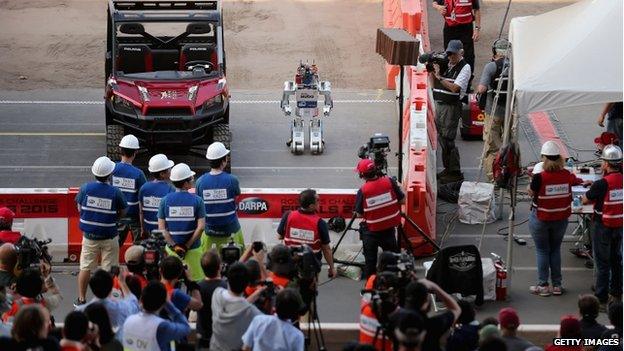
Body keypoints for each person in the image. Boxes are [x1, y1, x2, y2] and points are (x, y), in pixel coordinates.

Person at [75, 156, 127, 306]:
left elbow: (79, 207)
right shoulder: (115, 192)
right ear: (110, 174)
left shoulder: (85, 188)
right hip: (110, 236)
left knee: (85, 267)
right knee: (110, 270)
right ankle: (107, 300)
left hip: (89, 237)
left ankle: (81, 299)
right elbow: (123, 211)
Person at [527, 141, 577, 296]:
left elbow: (531, 192)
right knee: (555, 250)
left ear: (544, 158)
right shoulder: (567, 175)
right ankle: (557, 285)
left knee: (542, 250)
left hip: (541, 217)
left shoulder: (540, 177)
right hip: (561, 218)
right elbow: (576, 182)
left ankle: (543, 286)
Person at [582, 145, 623, 305]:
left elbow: (586, 200)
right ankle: (616, 292)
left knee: (602, 262)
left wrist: (591, 188)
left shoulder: (602, 184)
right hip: (619, 225)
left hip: (602, 226)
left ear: (606, 164)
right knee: (616, 259)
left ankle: (601, 296)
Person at [429, 40, 472, 183]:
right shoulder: (445, 63)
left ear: (461, 52)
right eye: (448, 53)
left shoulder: (465, 68)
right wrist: (433, 72)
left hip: (451, 107)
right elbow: (433, 82)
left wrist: (439, 77)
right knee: (442, 138)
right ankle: (448, 169)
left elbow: (455, 88)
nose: (450, 56)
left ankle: (454, 171)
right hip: (440, 105)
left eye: (453, 54)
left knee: (448, 139)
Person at [354, 159, 405, 278]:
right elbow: (402, 200)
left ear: (362, 175)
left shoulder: (363, 191)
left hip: (371, 232)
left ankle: (369, 289)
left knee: (370, 262)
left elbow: (359, 214)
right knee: (393, 259)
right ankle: (393, 283)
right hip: (389, 230)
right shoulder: (390, 182)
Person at [158, 163, 206, 281]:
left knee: (172, 285)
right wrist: (186, 246)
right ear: (185, 183)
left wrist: (176, 247)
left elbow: (162, 229)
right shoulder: (198, 201)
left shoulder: (164, 201)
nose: (192, 181)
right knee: (196, 284)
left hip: (172, 253)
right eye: (191, 179)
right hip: (193, 251)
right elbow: (201, 227)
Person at [195, 142, 245, 252]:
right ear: (224, 161)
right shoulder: (232, 180)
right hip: (231, 231)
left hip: (209, 233)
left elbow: (199, 203)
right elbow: (236, 197)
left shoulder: (200, 182)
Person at [277, 188, 336, 278]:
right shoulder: (320, 223)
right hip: (311, 267)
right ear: (311, 206)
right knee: (310, 290)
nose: (319, 202)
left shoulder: (288, 215)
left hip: (290, 263)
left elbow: (279, 236)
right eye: (318, 200)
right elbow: (326, 249)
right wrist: (332, 267)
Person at [391, 279, 461, 351]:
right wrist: (435, 287)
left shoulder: (392, 321)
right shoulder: (434, 325)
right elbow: (456, 309)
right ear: (426, 302)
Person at [210, 262, 266, 351]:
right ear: (247, 283)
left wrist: (257, 293)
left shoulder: (217, 294)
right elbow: (242, 305)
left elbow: (238, 304)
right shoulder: (252, 312)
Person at [122, 281, 192, 351]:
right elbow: (186, 328)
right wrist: (169, 305)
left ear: (142, 299)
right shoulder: (161, 326)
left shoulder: (128, 320)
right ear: (163, 303)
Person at [476, 39, 510, 180]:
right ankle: (509, 174)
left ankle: (493, 177)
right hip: (510, 112)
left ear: (494, 51)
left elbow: (482, 89)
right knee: (509, 144)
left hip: (493, 111)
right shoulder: (515, 66)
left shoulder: (491, 66)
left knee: (492, 146)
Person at [75, 269, 139, 340]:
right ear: (111, 288)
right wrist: (122, 282)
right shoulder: (122, 308)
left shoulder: (80, 311)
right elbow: (133, 303)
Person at [432, 0, 480, 87]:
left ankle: (468, 82)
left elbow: (476, 10)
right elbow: (434, 3)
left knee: (468, 55)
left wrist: (477, 29)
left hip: (466, 28)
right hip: (450, 28)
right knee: (449, 54)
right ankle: (449, 79)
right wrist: (438, 7)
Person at [112, 134, 147, 245]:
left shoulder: (112, 168)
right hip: (134, 217)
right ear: (135, 152)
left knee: (114, 247)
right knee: (138, 249)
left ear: (120, 150)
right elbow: (143, 198)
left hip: (116, 216)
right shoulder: (138, 174)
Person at [196, 249, 228, 349]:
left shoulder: (197, 288)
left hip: (203, 336)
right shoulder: (226, 286)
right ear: (220, 267)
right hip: (221, 337)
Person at [138, 153, 175, 237]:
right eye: (169, 168)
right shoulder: (170, 189)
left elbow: (141, 211)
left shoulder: (144, 188)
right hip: (164, 232)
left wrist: (142, 228)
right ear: (162, 174)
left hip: (148, 229)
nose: (170, 170)